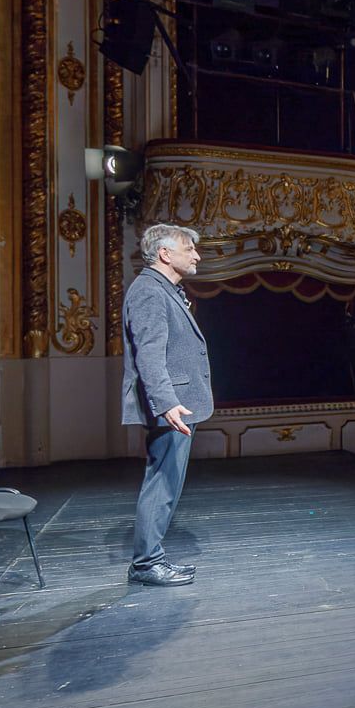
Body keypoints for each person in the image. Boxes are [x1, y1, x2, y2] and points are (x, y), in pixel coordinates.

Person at [121, 223, 212, 587]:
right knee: (161, 483)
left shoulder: (163, 289)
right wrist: (167, 403)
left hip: (176, 402)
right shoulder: (149, 291)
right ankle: (146, 563)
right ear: (164, 253)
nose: (197, 256)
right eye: (189, 249)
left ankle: (151, 559)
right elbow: (150, 355)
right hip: (172, 405)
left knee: (167, 483)